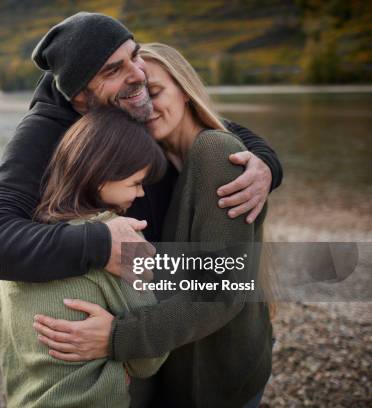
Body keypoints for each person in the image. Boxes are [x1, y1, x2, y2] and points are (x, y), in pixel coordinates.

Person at [33, 43, 275, 407]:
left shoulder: (215, 153)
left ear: (186, 91)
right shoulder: (153, 163)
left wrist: (116, 336)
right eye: (133, 95)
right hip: (176, 360)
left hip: (218, 375)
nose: (142, 106)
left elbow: (222, 291)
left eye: (155, 92)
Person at [0, 12, 283, 285]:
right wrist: (101, 242)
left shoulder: (125, 104)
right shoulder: (43, 132)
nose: (138, 75)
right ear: (79, 97)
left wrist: (266, 165)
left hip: (169, 292)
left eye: (135, 55)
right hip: (116, 301)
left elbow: (207, 122)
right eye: (113, 70)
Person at [0, 108, 170, 407]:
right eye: (136, 182)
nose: (141, 194)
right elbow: (149, 359)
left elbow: (9, 342)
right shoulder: (120, 240)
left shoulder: (16, 246)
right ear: (103, 175)